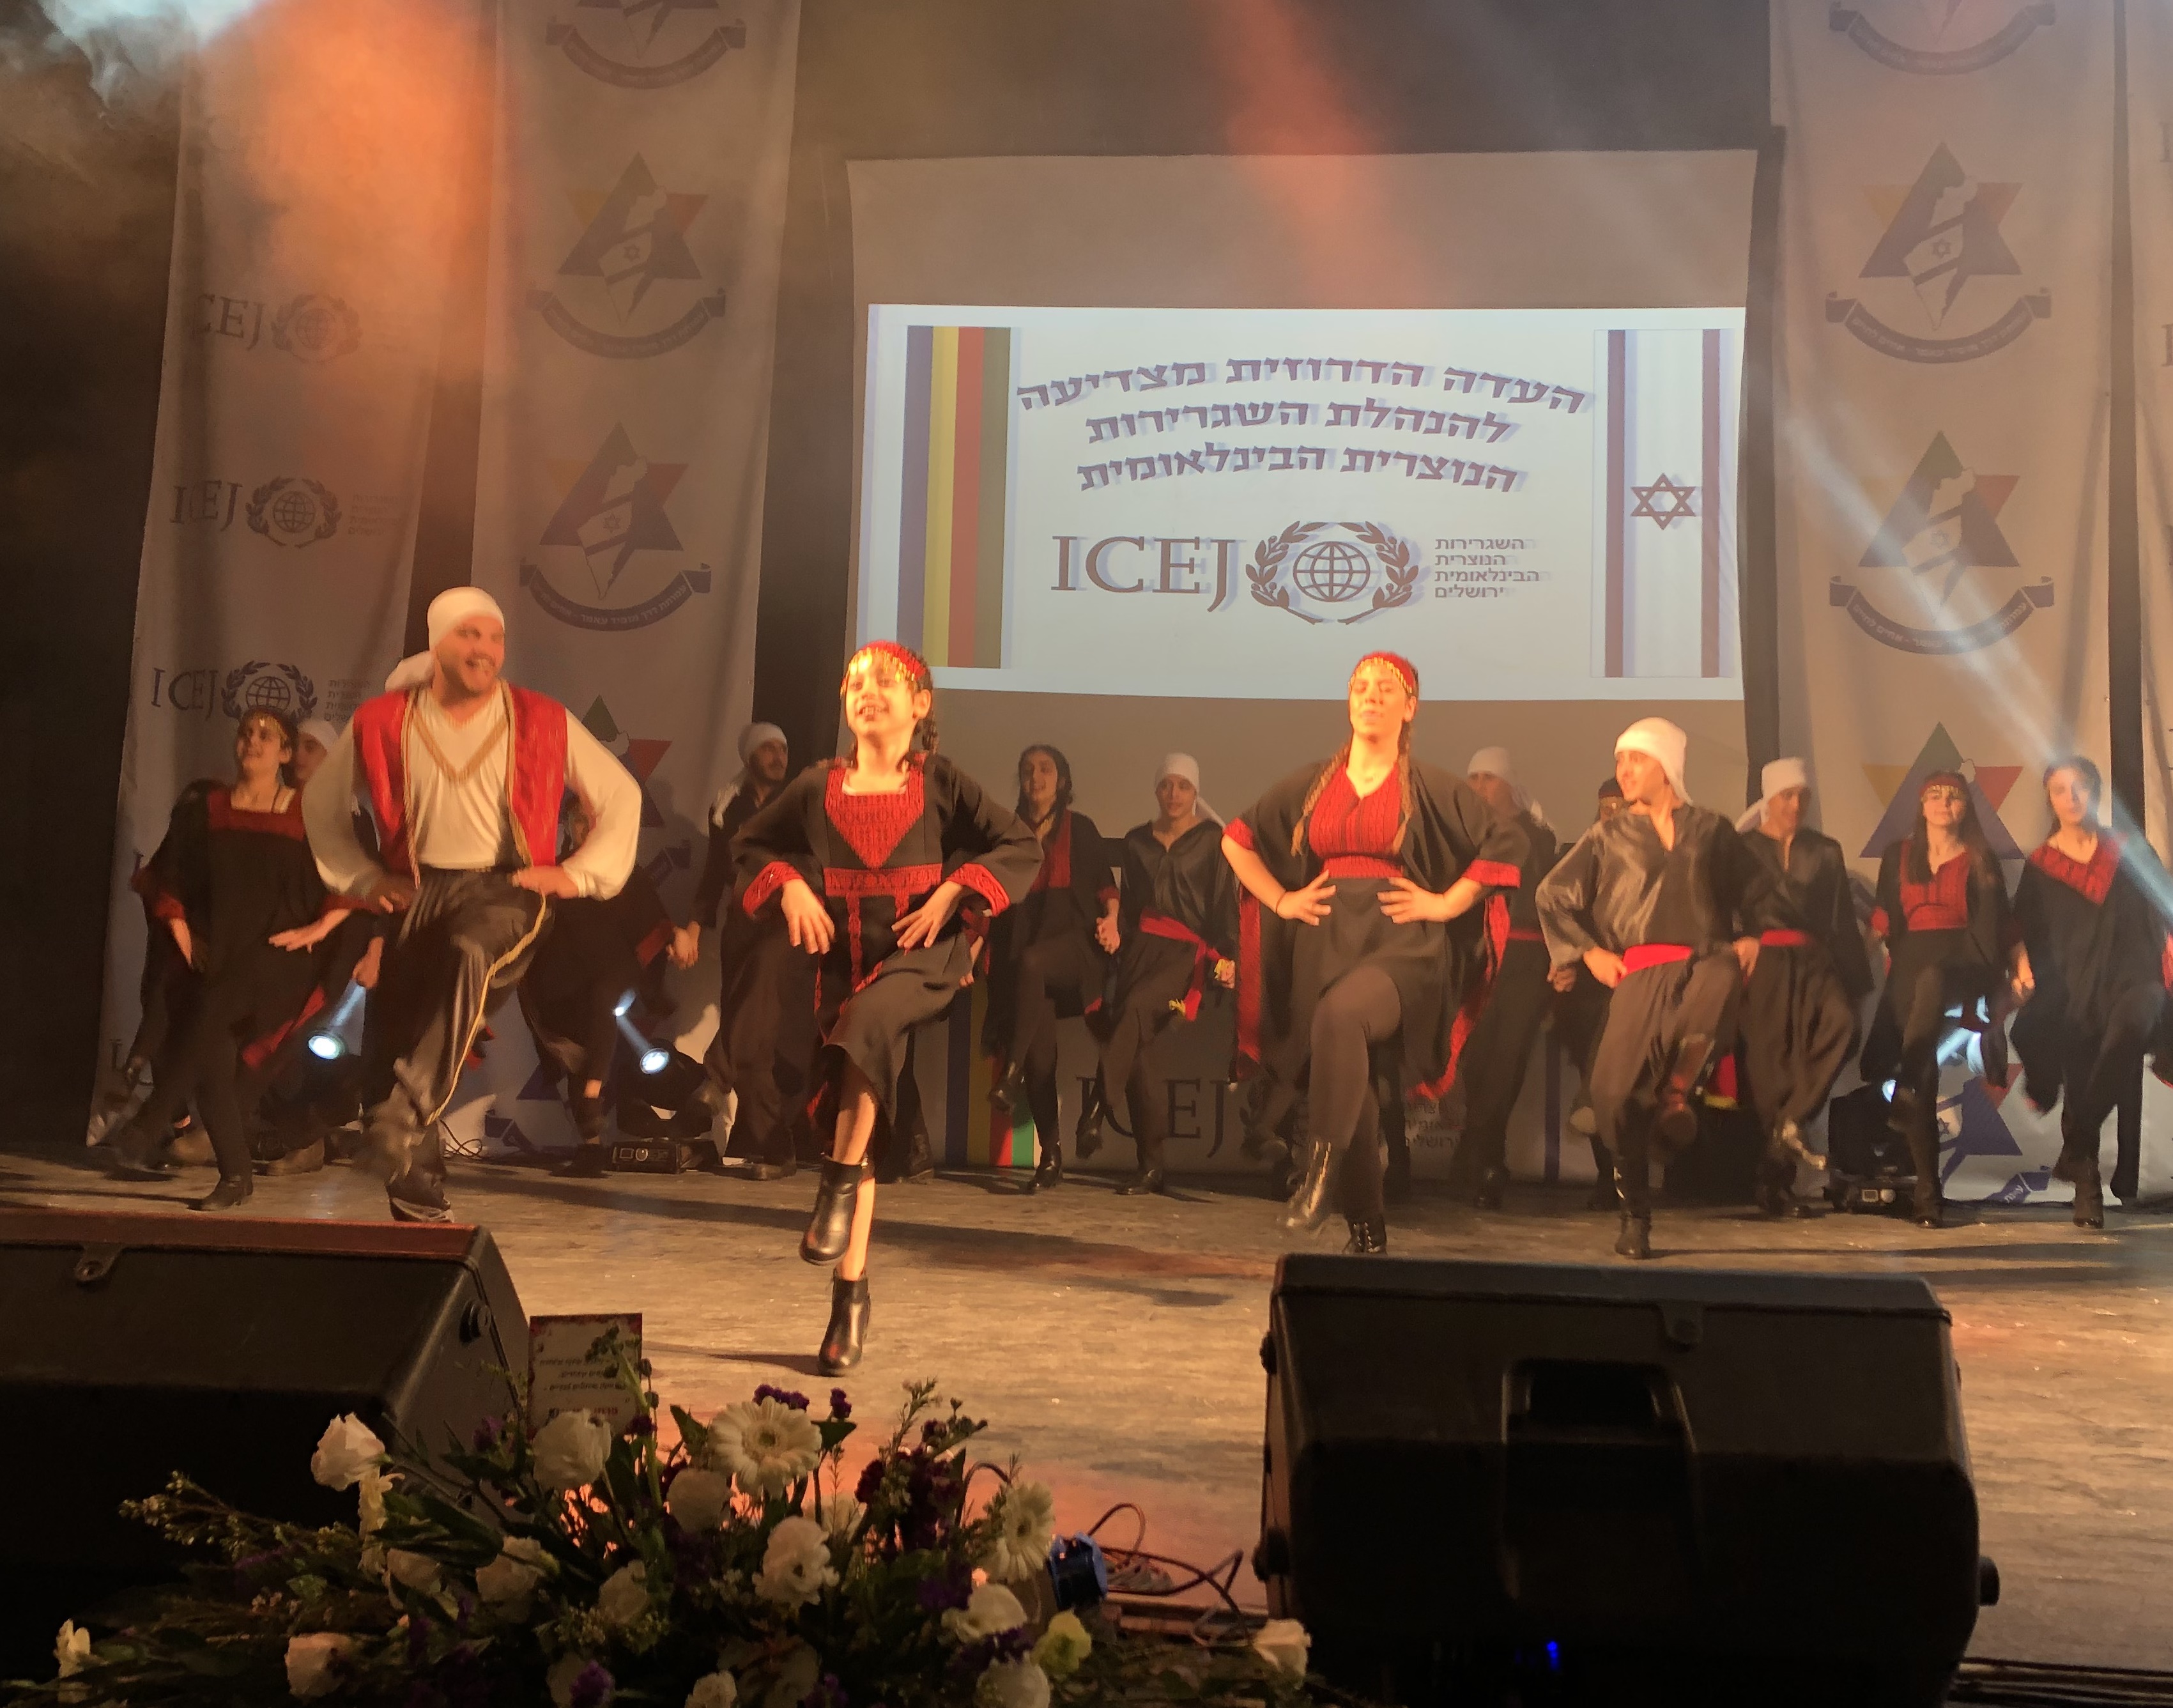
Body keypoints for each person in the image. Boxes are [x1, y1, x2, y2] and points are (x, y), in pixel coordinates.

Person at [733, 641, 1038, 1373]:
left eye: (887, 681)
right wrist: (790, 885)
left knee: (867, 1027)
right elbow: (749, 844)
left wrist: (955, 889)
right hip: (845, 963)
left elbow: (1018, 843)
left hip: (921, 949)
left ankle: (833, 1190)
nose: (867, 690)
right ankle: (850, 1299)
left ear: (920, 704)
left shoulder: (939, 780)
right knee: (855, 1094)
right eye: (855, 682)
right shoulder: (815, 786)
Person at [301, 586, 641, 1222]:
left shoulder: (541, 718)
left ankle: (403, 1112)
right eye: (468, 634)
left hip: (506, 888)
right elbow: (320, 803)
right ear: (437, 644)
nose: (484, 648)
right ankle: (419, 1202)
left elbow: (620, 796)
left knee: (468, 950)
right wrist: (365, 878)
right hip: (417, 888)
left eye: (494, 637)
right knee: (395, 1034)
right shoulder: (383, 720)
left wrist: (578, 875)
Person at [1224, 654, 1526, 1255]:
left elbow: (1507, 840)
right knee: (1350, 1078)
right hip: (1325, 943)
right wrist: (1281, 899)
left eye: (1387, 688)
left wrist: (1445, 903)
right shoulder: (1315, 782)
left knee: (1341, 1017)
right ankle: (1367, 1230)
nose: (1370, 696)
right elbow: (1237, 839)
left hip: (1401, 944)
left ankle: (1316, 1178)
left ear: (1410, 707)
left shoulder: (1430, 784)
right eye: (1360, 686)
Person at [1537, 718, 1783, 1261]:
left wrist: (1752, 936)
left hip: (1702, 960)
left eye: (1636, 759)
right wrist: (1589, 953)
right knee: (1610, 1097)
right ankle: (1635, 1214)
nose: (1624, 770)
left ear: (1666, 765)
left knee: (1721, 976)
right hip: (1638, 973)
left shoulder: (1710, 829)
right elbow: (1552, 894)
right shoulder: (1608, 835)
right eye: (1619, 759)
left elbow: (1758, 889)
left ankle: (1675, 1090)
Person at [106, 709, 365, 1208]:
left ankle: (151, 1117)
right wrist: (182, 932)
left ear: (284, 752)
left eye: (267, 735)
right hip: (223, 956)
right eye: (246, 733)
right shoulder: (209, 810)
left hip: (280, 960)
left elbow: (353, 877)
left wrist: (320, 927)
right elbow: (170, 875)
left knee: (213, 1008)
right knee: (213, 1069)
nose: (253, 741)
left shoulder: (306, 813)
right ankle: (235, 1177)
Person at [2009, 757, 2171, 1228]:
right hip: (2072, 983)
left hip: (2133, 974)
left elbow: (2162, 898)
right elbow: (2021, 926)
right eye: (2060, 790)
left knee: (2131, 1031)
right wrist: (2020, 963)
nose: (2072, 797)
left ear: (2095, 791)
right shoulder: (2041, 865)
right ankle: (2087, 1188)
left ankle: (2076, 1144)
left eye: (2080, 786)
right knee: (2079, 1079)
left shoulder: (2127, 849)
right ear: (2050, 800)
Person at [1860, 771, 2016, 1229]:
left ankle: (1904, 1088)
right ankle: (1928, 1195)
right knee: (1922, 1069)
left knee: (1931, 983)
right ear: (1921, 805)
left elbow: (1999, 925)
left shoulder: (1980, 857)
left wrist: (2017, 966)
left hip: (1964, 961)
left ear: (1965, 807)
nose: (1944, 802)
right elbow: (1884, 917)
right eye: (1935, 795)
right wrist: (1853, 965)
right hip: (1909, 964)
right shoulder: (1898, 855)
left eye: (1954, 796)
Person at [1077, 753, 1238, 1195]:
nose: (1173, 794)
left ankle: (1096, 1110)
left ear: (1195, 791)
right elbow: (1130, 907)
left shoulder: (1213, 840)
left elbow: (1223, 905)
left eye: (1183, 786)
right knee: (1139, 1054)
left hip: (1184, 954)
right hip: (1140, 949)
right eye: (1166, 785)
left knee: (1133, 1011)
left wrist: (1226, 958)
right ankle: (1151, 1166)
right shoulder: (1136, 842)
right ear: (1156, 789)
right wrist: (1115, 937)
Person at [519, 797, 704, 1176]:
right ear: (568, 826)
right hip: (568, 983)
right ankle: (590, 1148)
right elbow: (524, 930)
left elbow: (655, 922)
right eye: (578, 821)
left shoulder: (622, 872)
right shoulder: (553, 873)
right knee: (584, 1044)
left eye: (592, 821)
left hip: (618, 976)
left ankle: (594, 1097)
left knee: (606, 993)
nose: (586, 829)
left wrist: (677, 937)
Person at [1733, 758, 1873, 1216]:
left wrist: (1855, 981)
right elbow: (1721, 904)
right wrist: (1738, 941)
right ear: (1769, 798)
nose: (1795, 805)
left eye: (1802, 796)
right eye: (1786, 796)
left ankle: (1792, 1121)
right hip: (1764, 964)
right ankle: (1773, 1184)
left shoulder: (1825, 851)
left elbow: (1840, 920)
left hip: (1815, 961)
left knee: (1843, 1025)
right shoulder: (1741, 850)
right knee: (1771, 1067)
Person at [985, 744, 1116, 1190]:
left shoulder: (1082, 828)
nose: (1035, 778)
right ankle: (1052, 1155)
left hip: (1077, 948)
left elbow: (1106, 888)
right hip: (1027, 959)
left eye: (1045, 769)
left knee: (1034, 961)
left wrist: (1113, 921)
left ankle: (1010, 1071)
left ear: (1062, 780)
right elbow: (989, 892)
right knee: (1041, 1060)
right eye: (1027, 770)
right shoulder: (1007, 832)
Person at [681, 721, 803, 1179]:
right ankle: (773, 1148)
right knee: (753, 1034)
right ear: (749, 757)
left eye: (782, 748)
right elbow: (715, 873)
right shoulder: (727, 807)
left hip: (787, 922)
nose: (778, 756)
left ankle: (715, 1075)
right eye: (768, 748)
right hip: (740, 925)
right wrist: (694, 927)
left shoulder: (798, 802)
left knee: (755, 1006)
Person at [1445, 748, 1559, 1208]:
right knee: (1474, 1057)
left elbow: (1550, 903)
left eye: (1487, 778)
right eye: (1472, 778)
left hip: (1525, 958)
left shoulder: (1540, 839)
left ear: (1510, 785)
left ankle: (1482, 1155)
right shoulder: (1466, 835)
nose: (1477, 787)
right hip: (1478, 957)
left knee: (1506, 1059)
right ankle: (1482, 1155)